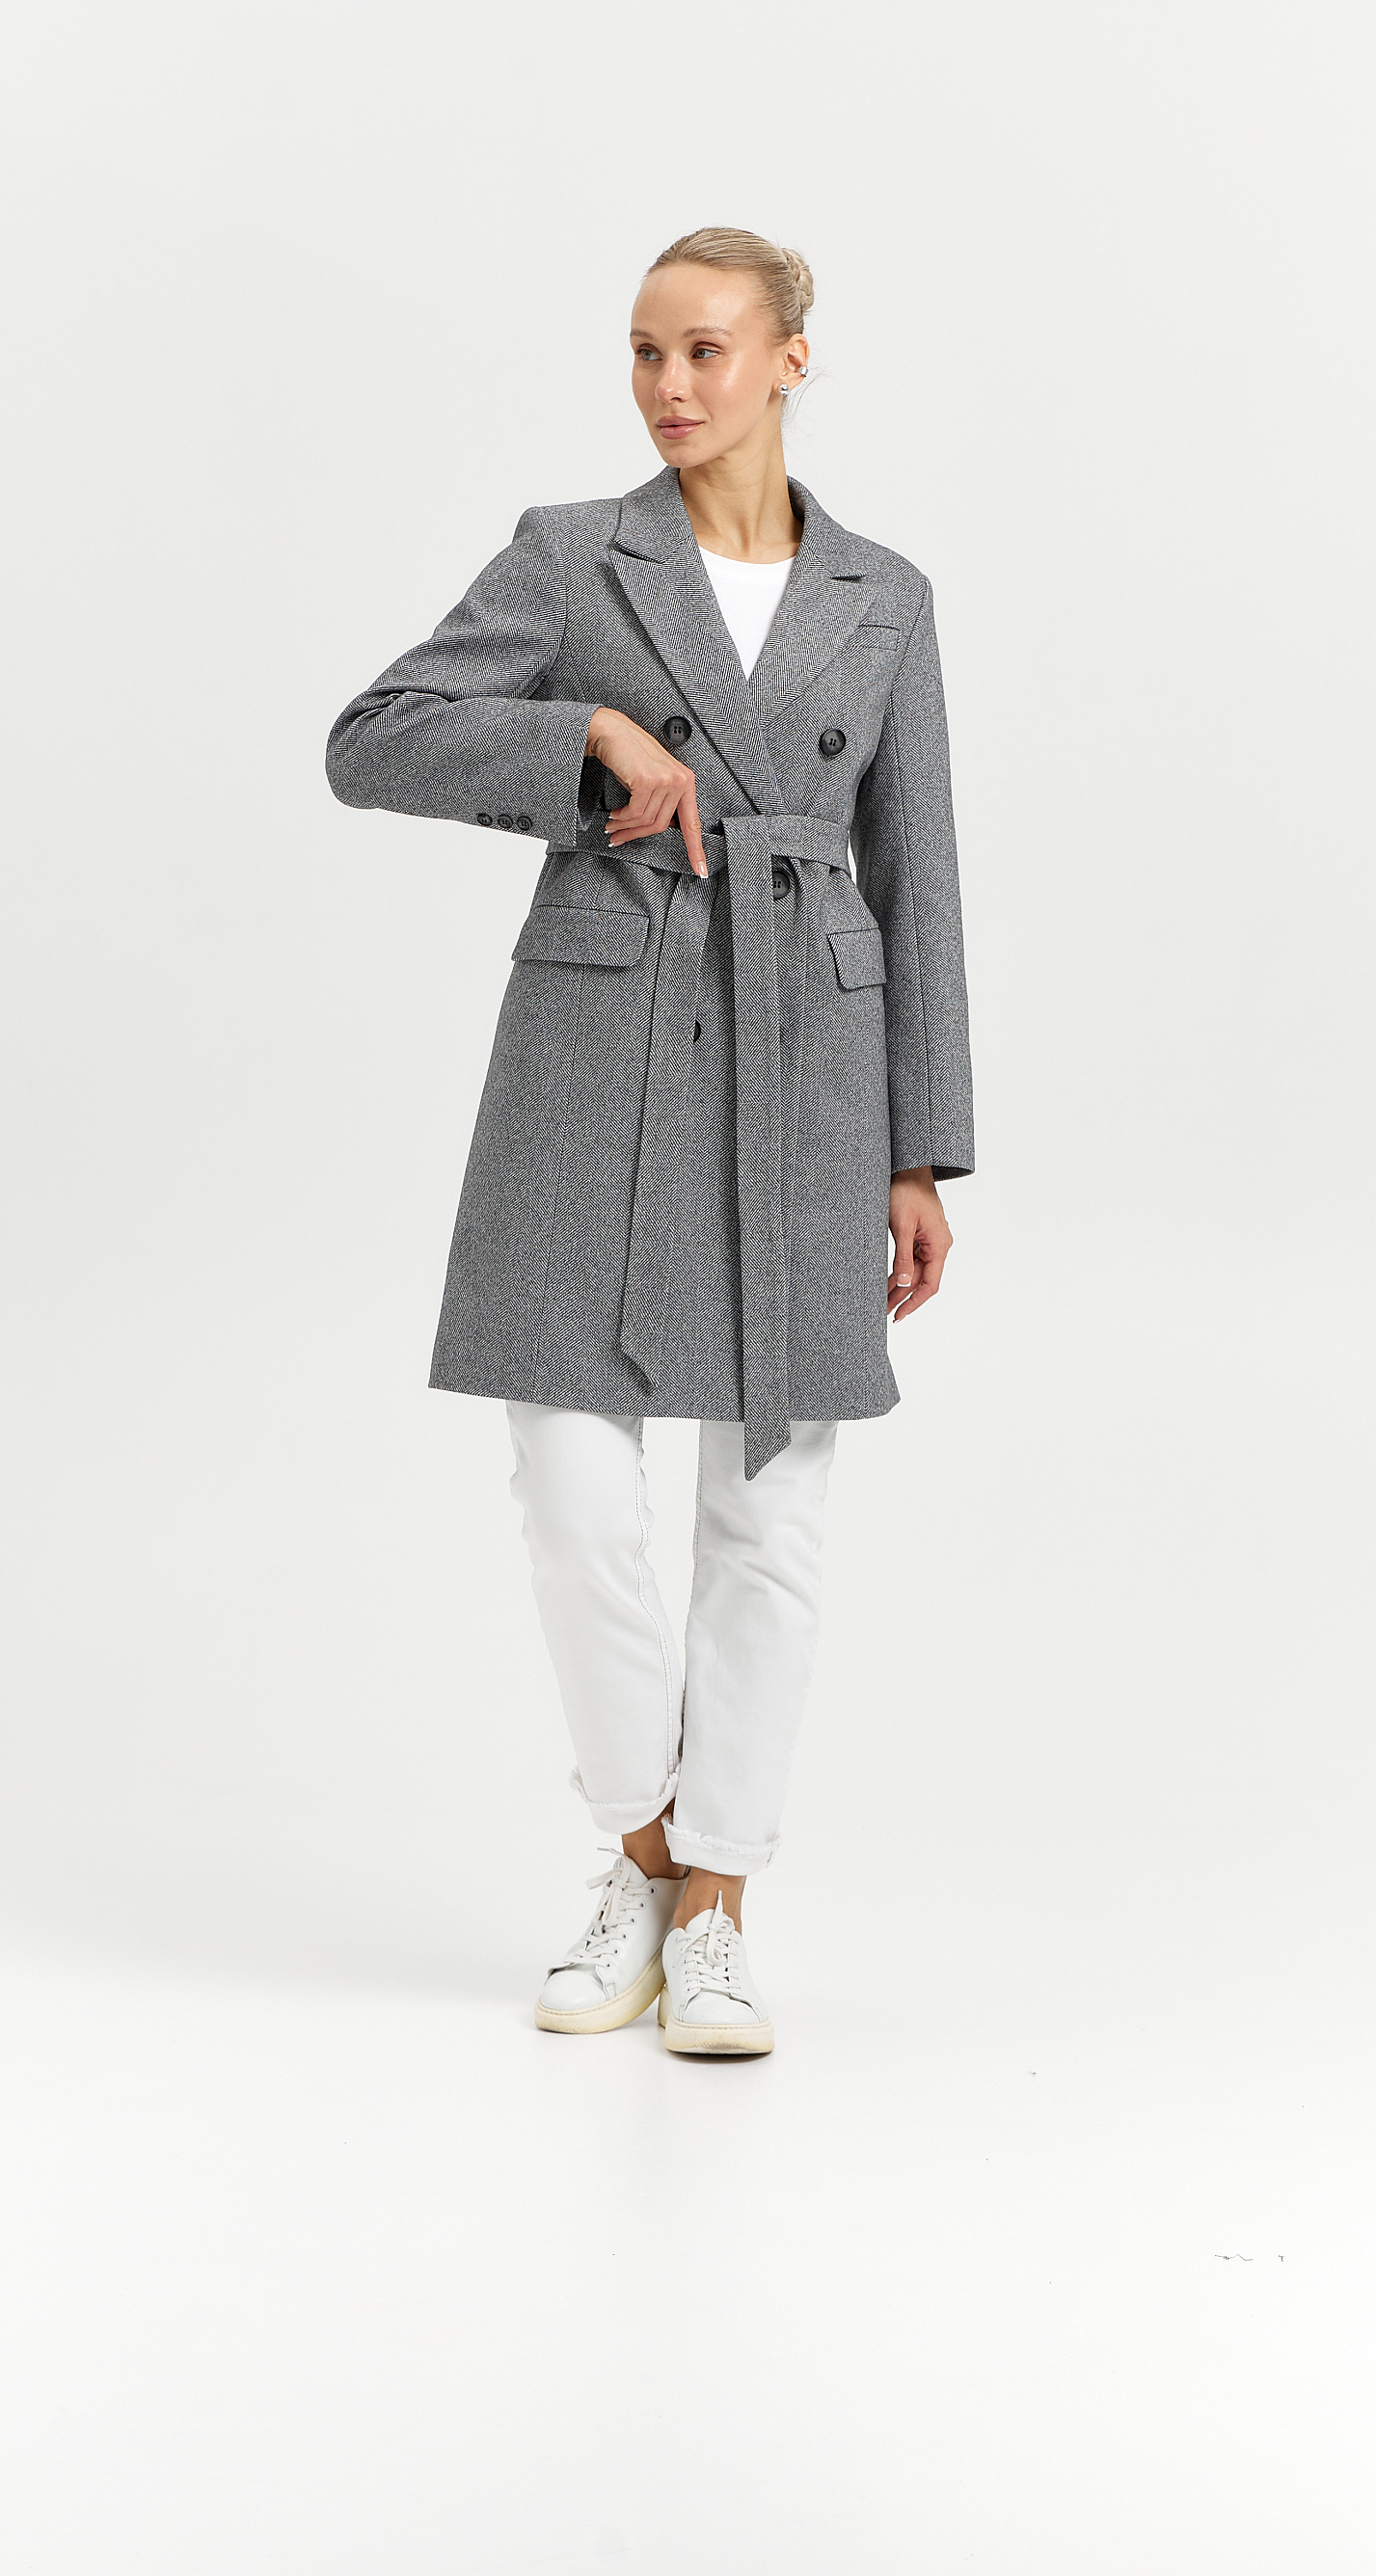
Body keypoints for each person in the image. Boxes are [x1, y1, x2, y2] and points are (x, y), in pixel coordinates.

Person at [325, 226, 973, 2056]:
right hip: (596, 1049)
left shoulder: (885, 594)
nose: (670, 387)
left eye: (706, 351)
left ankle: (718, 1915)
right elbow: (371, 738)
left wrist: (920, 1150)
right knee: (573, 1497)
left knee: (770, 1515)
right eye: (642, 352)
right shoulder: (571, 555)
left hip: (808, 1059)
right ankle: (646, 1850)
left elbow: (919, 876)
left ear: (790, 360)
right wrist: (588, 733)